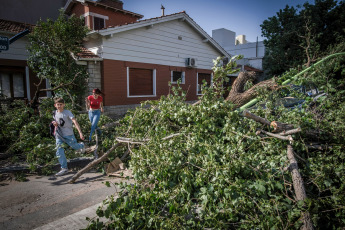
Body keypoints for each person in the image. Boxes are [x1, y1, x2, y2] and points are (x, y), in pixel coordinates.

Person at [53, 97, 85, 176]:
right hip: (59, 135)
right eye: (58, 105)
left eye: (61, 104)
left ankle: (82, 145)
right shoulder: (55, 113)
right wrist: (55, 124)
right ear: (55, 105)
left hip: (68, 134)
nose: (59, 106)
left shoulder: (67, 112)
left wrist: (80, 132)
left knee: (75, 146)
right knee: (59, 150)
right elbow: (57, 122)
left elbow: (75, 122)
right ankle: (64, 168)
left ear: (64, 105)